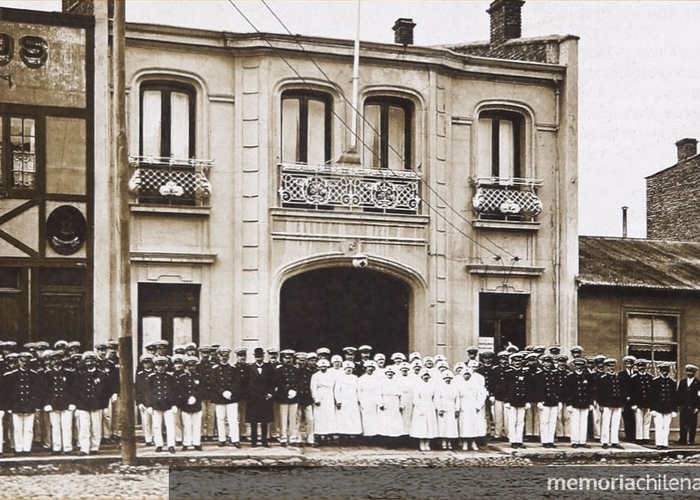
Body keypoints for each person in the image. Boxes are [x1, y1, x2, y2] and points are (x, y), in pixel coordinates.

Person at [73, 351, 109, 455]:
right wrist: (76, 404)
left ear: (95, 362)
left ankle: (94, 447)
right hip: (83, 405)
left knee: (96, 427)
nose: (89, 363)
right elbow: (75, 390)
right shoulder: (80, 374)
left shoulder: (101, 374)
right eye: (87, 361)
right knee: (84, 427)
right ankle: (84, 448)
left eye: (91, 361)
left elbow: (105, 391)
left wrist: (104, 405)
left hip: (97, 404)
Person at [5, 351, 41, 456]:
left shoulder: (34, 375)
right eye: (22, 361)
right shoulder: (12, 375)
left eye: (27, 361)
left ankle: (27, 449)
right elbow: (9, 392)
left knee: (29, 429)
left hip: (29, 405)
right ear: (18, 362)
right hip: (16, 405)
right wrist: (9, 406)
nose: (24, 363)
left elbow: (38, 392)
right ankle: (18, 449)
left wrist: (36, 405)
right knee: (17, 428)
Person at [43, 350, 75, 455]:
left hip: (66, 403)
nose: (57, 361)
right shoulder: (47, 374)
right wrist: (47, 403)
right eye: (54, 359)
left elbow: (72, 389)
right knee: (55, 426)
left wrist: (72, 402)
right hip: (53, 403)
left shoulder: (68, 373)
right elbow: (45, 390)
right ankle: (56, 448)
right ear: (51, 361)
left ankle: (67, 448)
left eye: (59, 359)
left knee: (67, 427)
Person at [210, 347, 243, 448]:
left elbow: (237, 382)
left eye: (226, 356)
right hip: (219, 397)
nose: (224, 358)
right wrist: (222, 392)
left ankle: (235, 439)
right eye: (222, 356)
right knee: (220, 419)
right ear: (219, 356)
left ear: (229, 356)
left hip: (231, 397)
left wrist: (230, 392)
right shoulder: (214, 369)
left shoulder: (233, 369)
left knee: (233, 419)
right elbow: (213, 383)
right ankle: (222, 439)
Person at [147, 356, 178, 453]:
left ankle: (171, 445)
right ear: (155, 366)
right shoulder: (151, 377)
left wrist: (174, 404)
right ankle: (159, 444)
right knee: (156, 426)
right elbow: (148, 392)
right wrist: (149, 405)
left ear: (166, 366)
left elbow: (174, 392)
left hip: (168, 405)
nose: (160, 367)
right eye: (158, 365)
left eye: (162, 365)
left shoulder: (170, 377)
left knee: (170, 426)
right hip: (156, 405)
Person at [245, 347, 276, 448]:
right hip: (253, 398)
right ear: (254, 357)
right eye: (257, 357)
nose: (259, 359)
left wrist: (271, 393)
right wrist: (249, 395)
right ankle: (253, 441)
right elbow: (246, 383)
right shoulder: (249, 368)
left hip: (265, 397)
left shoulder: (269, 367)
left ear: (263, 356)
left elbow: (273, 382)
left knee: (264, 421)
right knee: (253, 421)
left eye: (260, 356)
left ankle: (264, 440)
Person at [596, 358, 626, 449]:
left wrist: (622, 404)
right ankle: (605, 441)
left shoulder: (619, 378)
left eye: (613, 366)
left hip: (617, 404)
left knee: (616, 423)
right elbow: (599, 393)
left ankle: (614, 441)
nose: (611, 368)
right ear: (606, 367)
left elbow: (623, 392)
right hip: (606, 404)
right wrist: (600, 404)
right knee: (606, 423)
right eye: (609, 366)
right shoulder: (603, 379)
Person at [564, 357, 594, 448]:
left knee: (584, 422)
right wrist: (568, 404)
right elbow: (567, 391)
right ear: (574, 366)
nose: (579, 367)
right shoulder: (570, 377)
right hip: (575, 403)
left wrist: (591, 403)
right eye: (577, 365)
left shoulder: (587, 376)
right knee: (575, 422)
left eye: (581, 366)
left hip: (585, 403)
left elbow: (590, 391)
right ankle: (575, 441)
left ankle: (582, 441)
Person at [177, 356, 204, 451]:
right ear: (186, 366)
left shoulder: (199, 376)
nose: (191, 368)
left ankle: (197, 443)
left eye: (193, 365)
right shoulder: (182, 377)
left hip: (197, 404)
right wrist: (187, 398)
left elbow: (201, 390)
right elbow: (180, 391)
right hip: (186, 404)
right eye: (189, 365)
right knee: (187, 425)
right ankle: (186, 443)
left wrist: (195, 397)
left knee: (197, 424)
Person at [458, 364, 487, 451]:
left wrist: (478, 406)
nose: (467, 376)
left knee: (474, 425)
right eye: (465, 374)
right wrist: (458, 407)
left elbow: (482, 395)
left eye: (468, 374)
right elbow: (457, 397)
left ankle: (473, 442)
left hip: (474, 406)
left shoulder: (476, 384)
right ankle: (465, 442)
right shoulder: (459, 384)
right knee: (465, 425)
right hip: (463, 407)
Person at [275, 349, 301, 447]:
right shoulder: (279, 370)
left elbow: (299, 382)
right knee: (283, 418)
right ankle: (283, 438)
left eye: (290, 358)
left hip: (294, 397)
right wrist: (287, 391)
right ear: (282, 358)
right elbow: (278, 383)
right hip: (283, 397)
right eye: (286, 358)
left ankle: (292, 438)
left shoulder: (296, 369)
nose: (288, 360)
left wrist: (295, 390)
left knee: (293, 418)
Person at [535, 354, 561, 448]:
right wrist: (539, 400)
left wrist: (558, 400)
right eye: (546, 362)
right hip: (544, 401)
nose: (548, 364)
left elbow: (558, 388)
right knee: (544, 422)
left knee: (552, 422)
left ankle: (551, 440)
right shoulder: (539, 375)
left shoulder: (555, 374)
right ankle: (545, 441)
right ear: (543, 363)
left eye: (549, 362)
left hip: (553, 401)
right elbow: (537, 389)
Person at [504, 352, 529, 449]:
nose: (517, 363)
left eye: (519, 361)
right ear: (512, 362)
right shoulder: (508, 372)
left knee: (520, 421)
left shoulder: (524, 373)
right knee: (512, 421)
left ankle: (519, 440)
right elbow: (505, 388)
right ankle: (513, 440)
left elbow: (527, 388)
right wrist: (506, 400)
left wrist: (527, 401)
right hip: (512, 400)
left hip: (522, 400)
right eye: (515, 361)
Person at [650, 362, 677, 450]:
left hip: (668, 408)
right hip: (658, 408)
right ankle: (659, 443)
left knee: (666, 427)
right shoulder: (655, 381)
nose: (665, 372)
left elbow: (674, 397)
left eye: (666, 371)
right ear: (660, 371)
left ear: (669, 371)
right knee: (658, 426)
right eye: (663, 370)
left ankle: (665, 443)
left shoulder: (672, 382)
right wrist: (652, 409)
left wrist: (674, 410)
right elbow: (652, 396)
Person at [333, 361, 362, 444]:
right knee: (343, 418)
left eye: (350, 368)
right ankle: (343, 437)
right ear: (344, 369)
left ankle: (351, 437)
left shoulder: (355, 378)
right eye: (347, 368)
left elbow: (358, 390)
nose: (349, 370)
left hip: (353, 400)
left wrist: (359, 399)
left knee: (352, 418)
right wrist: (338, 400)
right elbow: (337, 390)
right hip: (343, 401)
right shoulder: (340, 377)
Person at [310, 358, 336, 446]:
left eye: (325, 366)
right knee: (319, 417)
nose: (323, 368)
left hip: (329, 396)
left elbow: (334, 387)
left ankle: (329, 436)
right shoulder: (315, 376)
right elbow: (313, 388)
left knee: (329, 416)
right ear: (318, 367)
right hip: (320, 396)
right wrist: (316, 399)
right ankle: (318, 436)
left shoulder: (332, 375)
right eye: (321, 367)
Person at [410, 369, 437, 452]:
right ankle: (421, 443)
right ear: (421, 376)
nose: (426, 377)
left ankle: (427, 444)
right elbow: (415, 398)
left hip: (430, 406)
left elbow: (435, 397)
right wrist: (419, 406)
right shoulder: (418, 385)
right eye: (424, 375)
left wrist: (434, 406)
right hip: (420, 407)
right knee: (421, 426)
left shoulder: (432, 385)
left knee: (429, 425)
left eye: (427, 376)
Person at [378, 365, 404, 447]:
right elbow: (377, 394)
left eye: (391, 373)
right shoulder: (382, 382)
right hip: (386, 403)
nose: (390, 374)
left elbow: (402, 395)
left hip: (395, 403)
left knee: (395, 423)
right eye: (388, 372)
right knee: (386, 422)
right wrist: (380, 403)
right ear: (385, 373)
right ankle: (386, 442)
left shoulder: (397, 382)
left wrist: (401, 405)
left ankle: (394, 441)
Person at [630, 358, 654, 445]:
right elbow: (631, 392)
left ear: (646, 367)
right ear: (637, 367)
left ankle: (646, 437)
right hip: (638, 403)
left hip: (648, 403)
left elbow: (652, 392)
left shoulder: (650, 377)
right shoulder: (634, 378)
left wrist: (652, 404)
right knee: (639, 421)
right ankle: (639, 437)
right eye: (640, 366)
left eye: (643, 366)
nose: (641, 368)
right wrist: (633, 404)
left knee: (647, 421)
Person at [358, 360, 382, 443]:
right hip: (365, 399)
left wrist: (378, 401)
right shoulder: (361, 379)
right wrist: (360, 400)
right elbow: (359, 390)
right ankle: (366, 436)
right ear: (365, 368)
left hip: (374, 399)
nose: (370, 369)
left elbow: (378, 390)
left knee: (374, 418)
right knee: (365, 417)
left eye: (372, 367)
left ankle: (373, 436)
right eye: (369, 367)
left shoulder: (376, 379)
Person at [435, 370, 460, 450]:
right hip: (443, 408)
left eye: (449, 378)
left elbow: (457, 399)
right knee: (443, 425)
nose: (447, 379)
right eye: (446, 378)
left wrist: (457, 409)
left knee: (451, 426)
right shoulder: (439, 387)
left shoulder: (455, 387)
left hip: (451, 408)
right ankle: (443, 442)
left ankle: (449, 442)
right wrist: (440, 409)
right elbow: (437, 399)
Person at [677, 364, 700, 445]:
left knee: (692, 424)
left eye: (691, 372)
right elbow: (679, 394)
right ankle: (682, 439)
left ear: (694, 373)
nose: (689, 373)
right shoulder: (682, 382)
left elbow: (699, 397)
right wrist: (679, 405)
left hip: (693, 407)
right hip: (683, 406)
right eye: (688, 371)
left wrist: (697, 407)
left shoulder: (698, 383)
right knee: (683, 423)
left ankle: (691, 440)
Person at [135, 354, 155, 446]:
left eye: (149, 362)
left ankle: (155, 438)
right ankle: (148, 439)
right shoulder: (140, 375)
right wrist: (139, 403)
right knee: (146, 422)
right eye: (145, 363)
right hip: (144, 401)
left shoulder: (155, 374)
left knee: (155, 422)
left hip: (154, 402)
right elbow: (138, 390)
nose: (147, 365)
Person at [618, 355, 637, 443]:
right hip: (625, 400)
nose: (629, 365)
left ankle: (634, 436)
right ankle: (628, 436)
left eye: (630, 364)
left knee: (635, 418)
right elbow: (621, 387)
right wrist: (625, 396)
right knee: (626, 417)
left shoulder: (636, 374)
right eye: (627, 363)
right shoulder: (621, 374)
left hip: (635, 399)